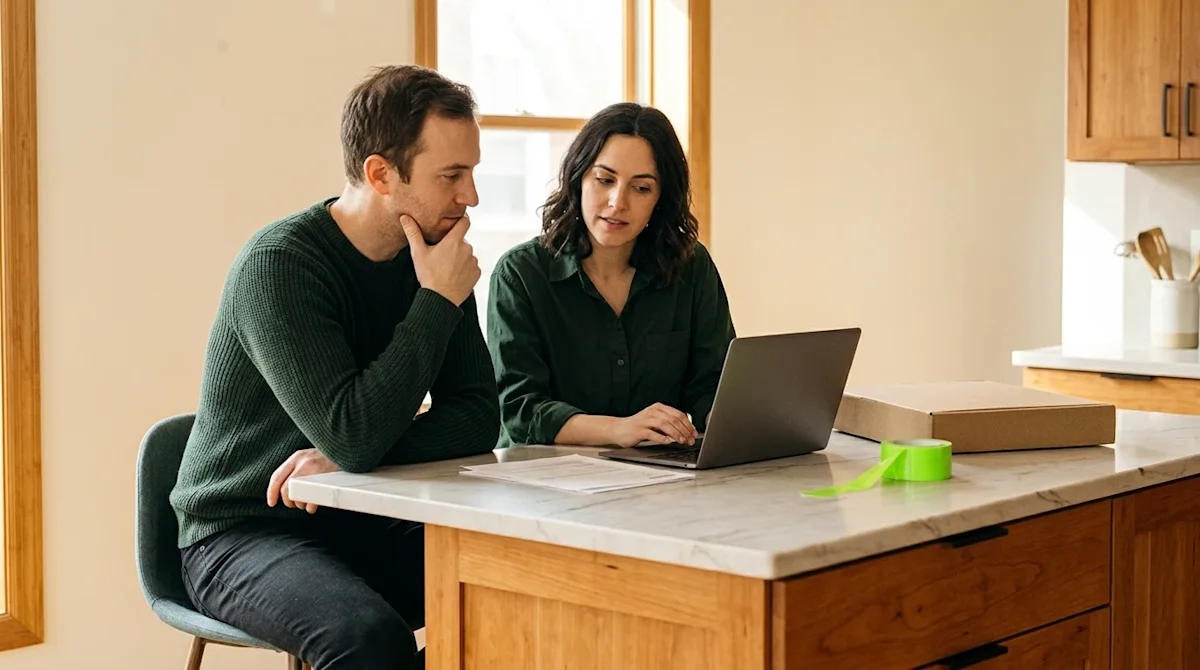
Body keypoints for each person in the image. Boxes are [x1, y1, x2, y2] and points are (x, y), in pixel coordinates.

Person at [168, 65, 499, 670]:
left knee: (521, 581)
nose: (470, 197)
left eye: (471, 172)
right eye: (451, 175)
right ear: (380, 174)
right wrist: (435, 305)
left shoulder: (435, 259)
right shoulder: (281, 265)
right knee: (367, 640)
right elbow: (354, 432)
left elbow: (479, 417)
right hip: (240, 529)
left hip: (364, 510)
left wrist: (348, 455)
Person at [486, 102, 735, 450]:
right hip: (543, 485)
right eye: (605, 180)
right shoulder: (520, 274)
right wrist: (618, 430)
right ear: (579, 179)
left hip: (661, 481)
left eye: (642, 188)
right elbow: (520, 408)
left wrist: (740, 419)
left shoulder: (691, 267)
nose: (618, 202)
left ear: (661, 198)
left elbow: (712, 386)